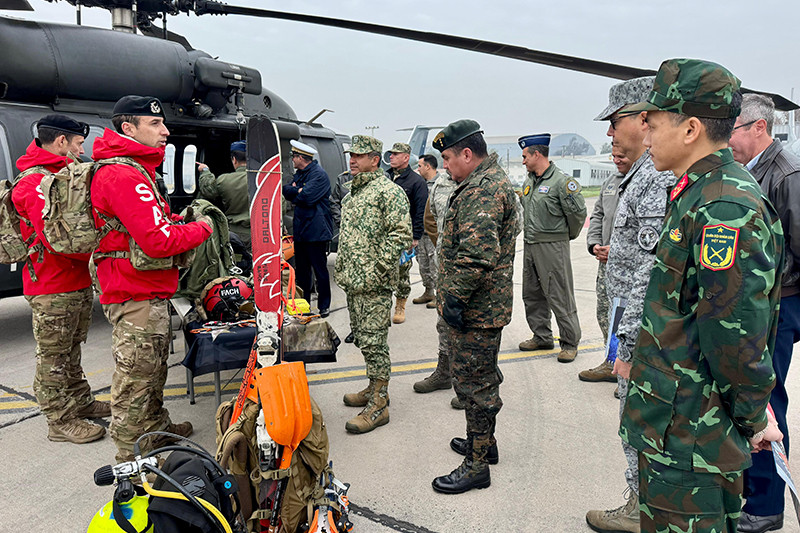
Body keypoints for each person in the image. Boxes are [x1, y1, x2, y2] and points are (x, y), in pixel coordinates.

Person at [618, 59, 784, 532]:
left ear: (690, 128)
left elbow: (735, 339)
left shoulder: (724, 208)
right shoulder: (696, 191)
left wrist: (753, 418)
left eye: (652, 123)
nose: (644, 135)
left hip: (692, 437)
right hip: (673, 424)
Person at [91, 95, 213, 462]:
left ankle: (155, 429)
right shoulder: (123, 174)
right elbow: (158, 241)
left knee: (153, 370)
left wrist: (180, 224)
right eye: (155, 124)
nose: (165, 131)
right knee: (135, 381)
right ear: (128, 128)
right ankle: (131, 458)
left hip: (145, 289)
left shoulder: (136, 170)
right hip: (133, 292)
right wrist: (202, 228)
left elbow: (151, 225)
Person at [584, 76, 677, 533]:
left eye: (614, 122)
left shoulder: (654, 179)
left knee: (638, 421)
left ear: (643, 120)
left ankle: (642, 508)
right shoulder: (638, 175)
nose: (609, 133)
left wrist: (627, 344)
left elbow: (651, 269)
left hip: (640, 330)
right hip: (629, 318)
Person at [429, 119, 519, 494]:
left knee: (475, 384)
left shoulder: (482, 190)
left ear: (468, 154)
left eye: (448, 158)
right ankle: (486, 444)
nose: (446, 166)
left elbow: (477, 255)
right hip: (481, 306)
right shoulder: (485, 182)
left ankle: (477, 465)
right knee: (478, 378)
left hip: (476, 308)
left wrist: (454, 299)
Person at [11, 115, 110, 444]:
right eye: (79, 144)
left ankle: (80, 401)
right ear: (61, 142)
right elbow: (58, 238)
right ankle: (60, 420)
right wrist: (104, 253)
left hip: (74, 280)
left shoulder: (60, 177)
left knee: (71, 349)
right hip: (52, 285)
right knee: (54, 355)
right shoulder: (33, 183)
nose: (83, 151)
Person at [728, 93, 800, 533]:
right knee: (749, 401)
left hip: (780, 305)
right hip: (757, 306)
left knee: (767, 403)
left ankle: (768, 505)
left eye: (732, 130)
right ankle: (753, 493)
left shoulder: (787, 173)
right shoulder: (748, 172)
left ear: (758, 127)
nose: (727, 140)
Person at [334, 135, 411, 434]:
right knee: (365, 341)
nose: (352, 159)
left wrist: (379, 271)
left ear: (375, 159)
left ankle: (379, 406)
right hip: (354, 282)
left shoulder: (388, 192)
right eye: (351, 155)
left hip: (374, 284)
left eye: (359, 155)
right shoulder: (352, 194)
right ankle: (373, 387)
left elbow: (399, 234)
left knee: (376, 343)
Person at [517, 133, 586, 362]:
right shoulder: (530, 181)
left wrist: (565, 237)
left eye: (525, 155)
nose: (523, 160)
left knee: (559, 294)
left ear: (537, 154)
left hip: (552, 246)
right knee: (532, 294)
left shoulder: (561, 182)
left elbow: (577, 214)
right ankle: (542, 336)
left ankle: (569, 342)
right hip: (531, 244)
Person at [578, 145, 629, 384]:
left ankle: (626, 369)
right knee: (605, 314)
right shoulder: (610, 182)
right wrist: (594, 244)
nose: (617, 161)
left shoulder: (645, 181)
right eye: (614, 157)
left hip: (627, 266)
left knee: (625, 318)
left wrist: (617, 251)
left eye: (622, 157)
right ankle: (611, 362)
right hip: (604, 263)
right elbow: (597, 214)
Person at [413, 156, 458, 395]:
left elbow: (514, 225)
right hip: (446, 269)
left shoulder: (488, 184)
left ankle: (477, 381)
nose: (446, 165)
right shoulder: (442, 184)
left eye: (449, 158)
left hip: (478, 274)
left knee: (474, 327)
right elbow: (430, 219)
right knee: (445, 321)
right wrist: (443, 248)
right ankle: (445, 371)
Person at [282, 140, 334, 317]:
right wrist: (296, 191)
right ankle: (304, 305)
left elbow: (307, 197)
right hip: (302, 231)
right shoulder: (301, 174)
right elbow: (286, 190)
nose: (292, 160)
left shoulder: (319, 175)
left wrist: (298, 192)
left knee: (320, 271)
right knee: (302, 272)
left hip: (316, 232)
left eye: (293, 157)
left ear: (300, 158)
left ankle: (324, 305)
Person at [385, 142, 428, 324]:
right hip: (384, 234)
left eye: (396, 154)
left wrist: (416, 236)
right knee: (383, 272)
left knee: (402, 273)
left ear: (406, 157)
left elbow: (420, 211)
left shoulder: (416, 181)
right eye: (391, 154)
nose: (392, 157)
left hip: (404, 235)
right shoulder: (385, 178)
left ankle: (400, 306)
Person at [197, 140, 251, 249]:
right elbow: (281, 204)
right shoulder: (263, 180)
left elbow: (208, 190)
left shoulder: (225, 180)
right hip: (259, 233)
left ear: (234, 159)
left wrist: (205, 171)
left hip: (234, 234)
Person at [412, 154, 439, 306]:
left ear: (428, 166)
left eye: (420, 166)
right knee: (423, 264)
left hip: (433, 234)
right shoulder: (420, 184)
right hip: (421, 233)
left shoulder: (441, 184)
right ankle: (428, 291)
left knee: (435, 265)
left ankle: (439, 295)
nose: (418, 169)